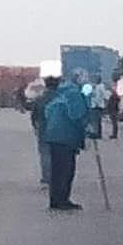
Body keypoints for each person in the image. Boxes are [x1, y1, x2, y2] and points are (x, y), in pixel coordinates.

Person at [44, 76, 89, 210]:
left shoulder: (60, 94)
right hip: (65, 136)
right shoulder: (74, 94)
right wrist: (87, 127)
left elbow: (47, 111)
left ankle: (55, 200)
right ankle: (63, 200)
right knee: (66, 170)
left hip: (53, 135)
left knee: (56, 170)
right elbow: (77, 115)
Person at [30, 76, 60, 186]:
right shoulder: (61, 98)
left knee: (45, 155)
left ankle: (47, 178)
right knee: (59, 156)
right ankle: (58, 178)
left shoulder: (40, 99)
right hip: (60, 131)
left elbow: (34, 116)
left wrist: (35, 127)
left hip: (44, 130)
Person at [90, 75, 109, 139]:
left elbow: (102, 95)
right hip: (96, 105)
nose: (95, 80)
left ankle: (96, 134)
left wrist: (98, 103)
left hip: (97, 106)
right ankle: (98, 134)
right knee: (97, 121)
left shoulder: (101, 86)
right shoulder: (96, 86)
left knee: (96, 121)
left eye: (96, 79)